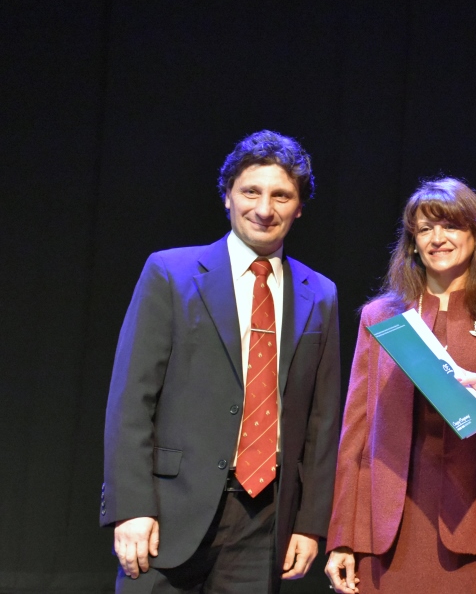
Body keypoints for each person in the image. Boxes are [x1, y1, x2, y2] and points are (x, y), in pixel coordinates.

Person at [102, 130, 342, 593]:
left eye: (281, 195)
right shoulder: (170, 273)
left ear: (299, 206)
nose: (264, 208)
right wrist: (131, 507)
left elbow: (322, 420)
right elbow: (131, 399)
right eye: (251, 191)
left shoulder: (320, 294)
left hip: (264, 521)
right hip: (167, 512)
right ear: (227, 195)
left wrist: (310, 523)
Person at [325, 177, 476, 594]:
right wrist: (343, 535)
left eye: (450, 226)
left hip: (470, 522)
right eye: (425, 228)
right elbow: (355, 433)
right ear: (412, 242)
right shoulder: (381, 317)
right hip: (384, 525)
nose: (437, 238)